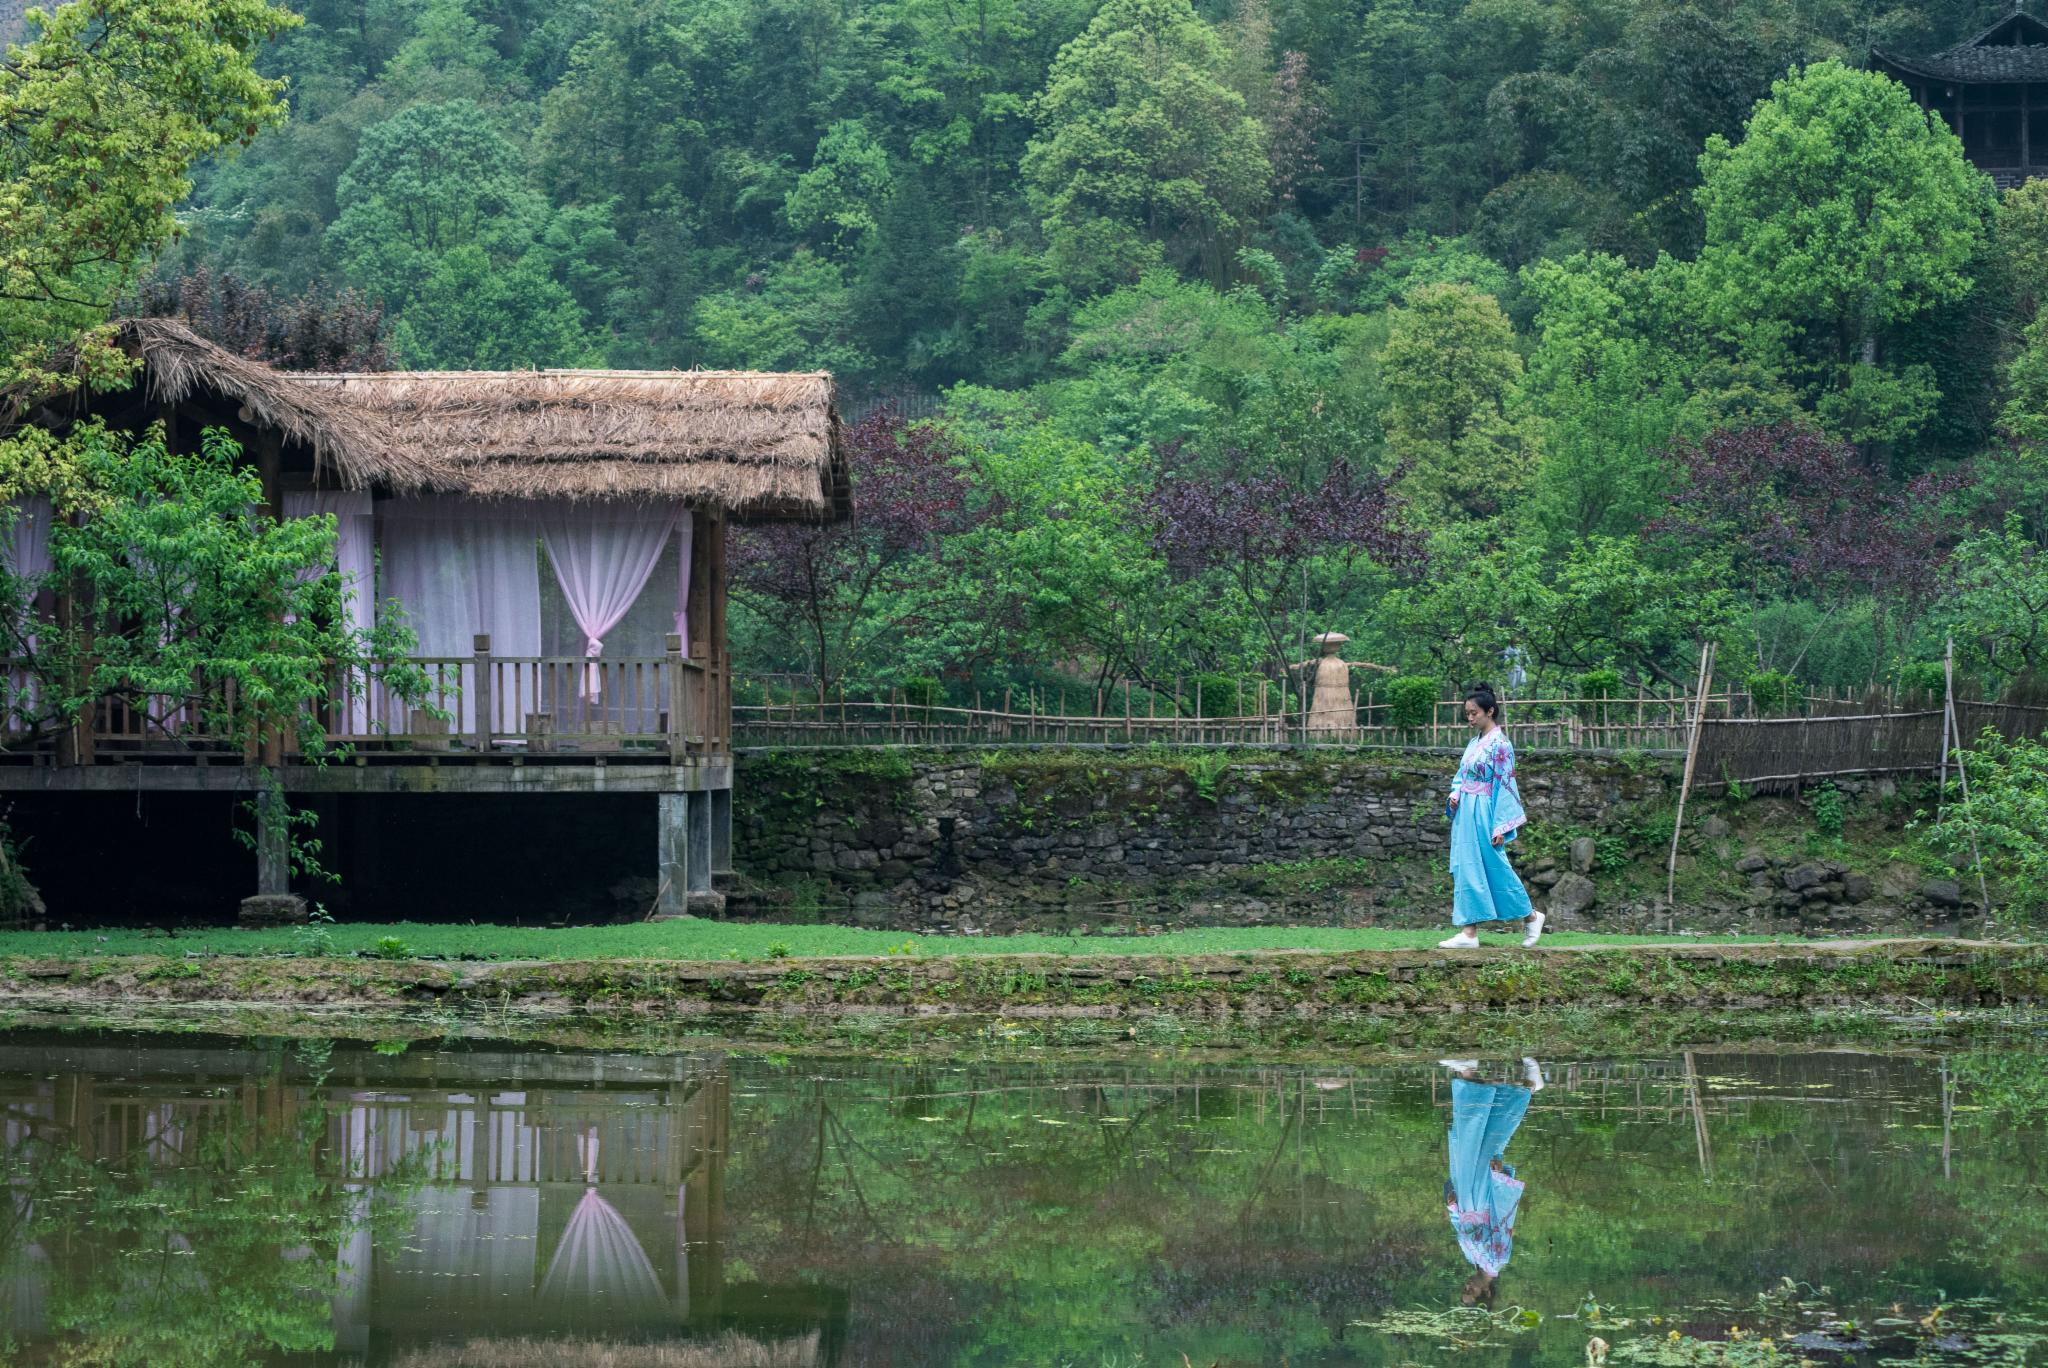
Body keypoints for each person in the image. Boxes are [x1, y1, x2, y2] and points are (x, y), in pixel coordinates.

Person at [1439, 682, 1543, 949]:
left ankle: (1531, 916)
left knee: (1496, 867)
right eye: (1468, 713)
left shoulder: (1501, 745)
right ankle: (1469, 932)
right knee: (1466, 867)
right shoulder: (1475, 743)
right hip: (1466, 812)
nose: (1470, 718)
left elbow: (1506, 786)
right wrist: (1456, 794)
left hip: (1485, 810)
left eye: (1474, 713)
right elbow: (1462, 776)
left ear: (1490, 711)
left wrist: (1500, 826)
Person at [1439, 1057, 1545, 1305]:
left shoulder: (1472, 1258)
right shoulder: (1498, 1259)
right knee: (1486, 1139)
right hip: (1483, 1194)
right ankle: (1476, 1074)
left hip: (1466, 1196)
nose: (1467, 1286)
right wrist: (1500, 1179)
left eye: (1463, 1290)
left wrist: (1453, 1208)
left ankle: (1473, 1074)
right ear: (1485, 1292)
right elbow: (1503, 1216)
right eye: (1471, 1291)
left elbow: (1460, 1226)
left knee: (1470, 1139)